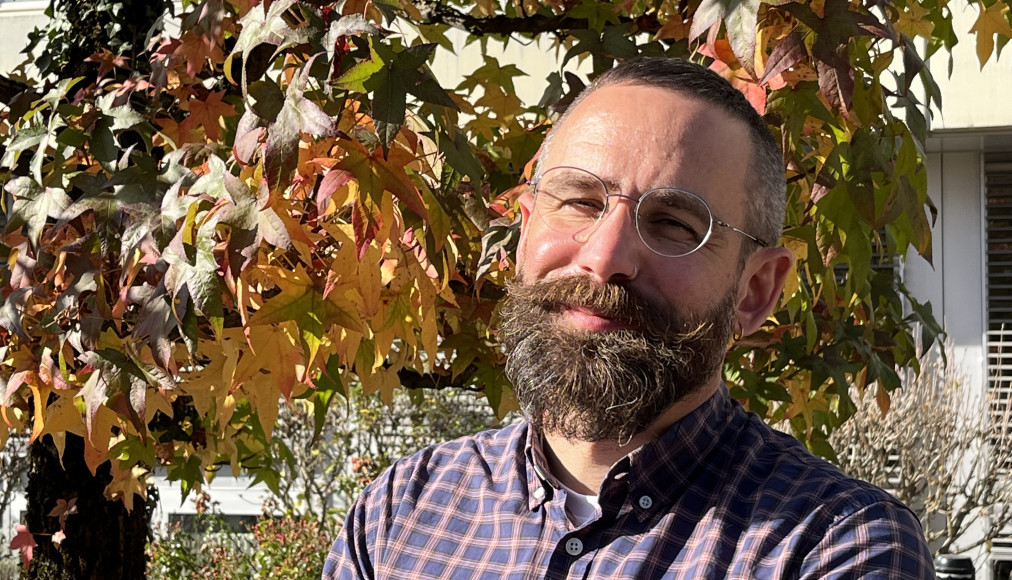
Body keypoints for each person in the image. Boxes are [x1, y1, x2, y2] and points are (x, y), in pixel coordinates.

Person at [322, 57, 934, 579]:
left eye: (675, 224)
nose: (605, 257)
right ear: (523, 234)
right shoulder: (401, 514)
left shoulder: (832, 545)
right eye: (580, 202)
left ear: (755, 291)